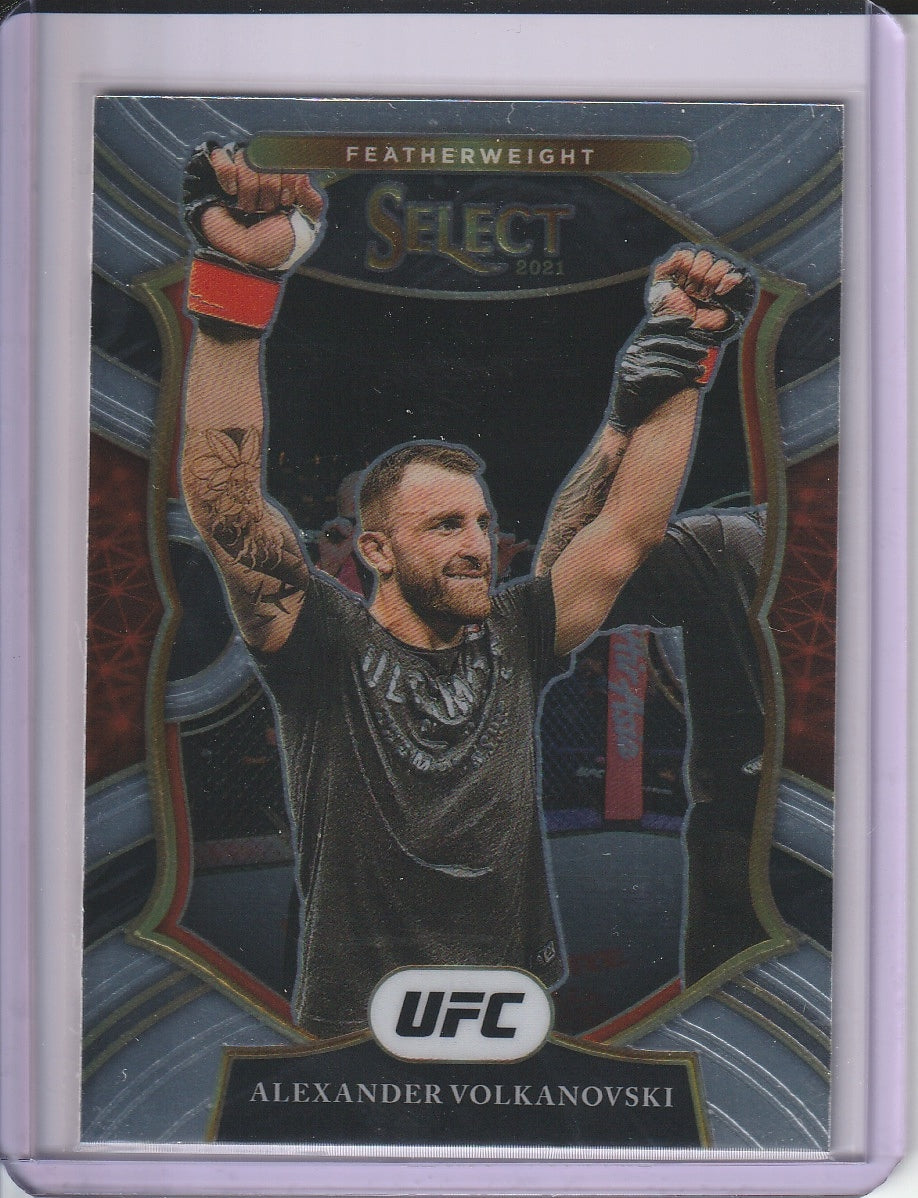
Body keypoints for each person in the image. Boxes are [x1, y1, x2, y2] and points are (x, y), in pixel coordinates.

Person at [179, 142, 756, 1037]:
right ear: (376, 548)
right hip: (355, 1017)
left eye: (482, 524)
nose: (479, 547)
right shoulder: (325, 645)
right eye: (446, 526)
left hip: (515, 1002)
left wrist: (690, 347)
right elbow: (227, 506)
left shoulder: (516, 636)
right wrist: (236, 282)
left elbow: (626, 531)